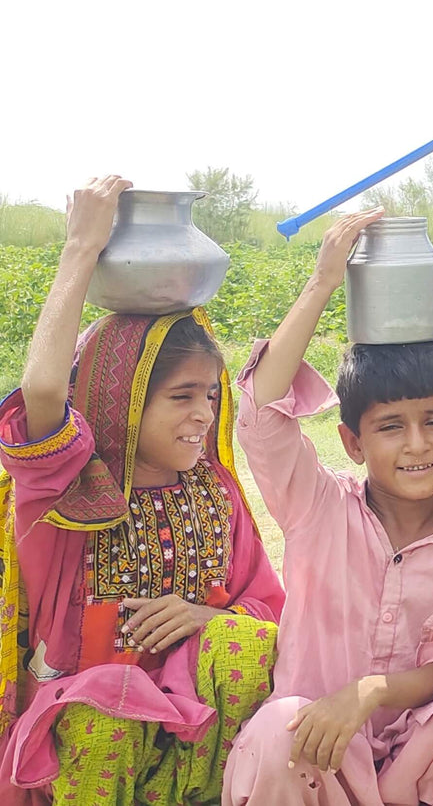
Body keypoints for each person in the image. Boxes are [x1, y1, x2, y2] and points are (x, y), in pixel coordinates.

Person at [222, 208, 433, 806]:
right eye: (390, 427)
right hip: (318, 761)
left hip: (414, 760)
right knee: (279, 726)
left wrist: (367, 691)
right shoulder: (317, 507)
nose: (416, 444)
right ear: (354, 442)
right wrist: (323, 283)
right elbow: (259, 413)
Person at [0, 176, 284, 805]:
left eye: (211, 396)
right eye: (182, 397)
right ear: (120, 403)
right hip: (92, 759)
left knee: (245, 644)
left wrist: (208, 617)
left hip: (200, 752)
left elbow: (269, 608)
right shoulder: (68, 497)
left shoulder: (215, 496)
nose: (204, 416)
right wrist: (81, 247)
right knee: (104, 707)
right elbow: (45, 392)